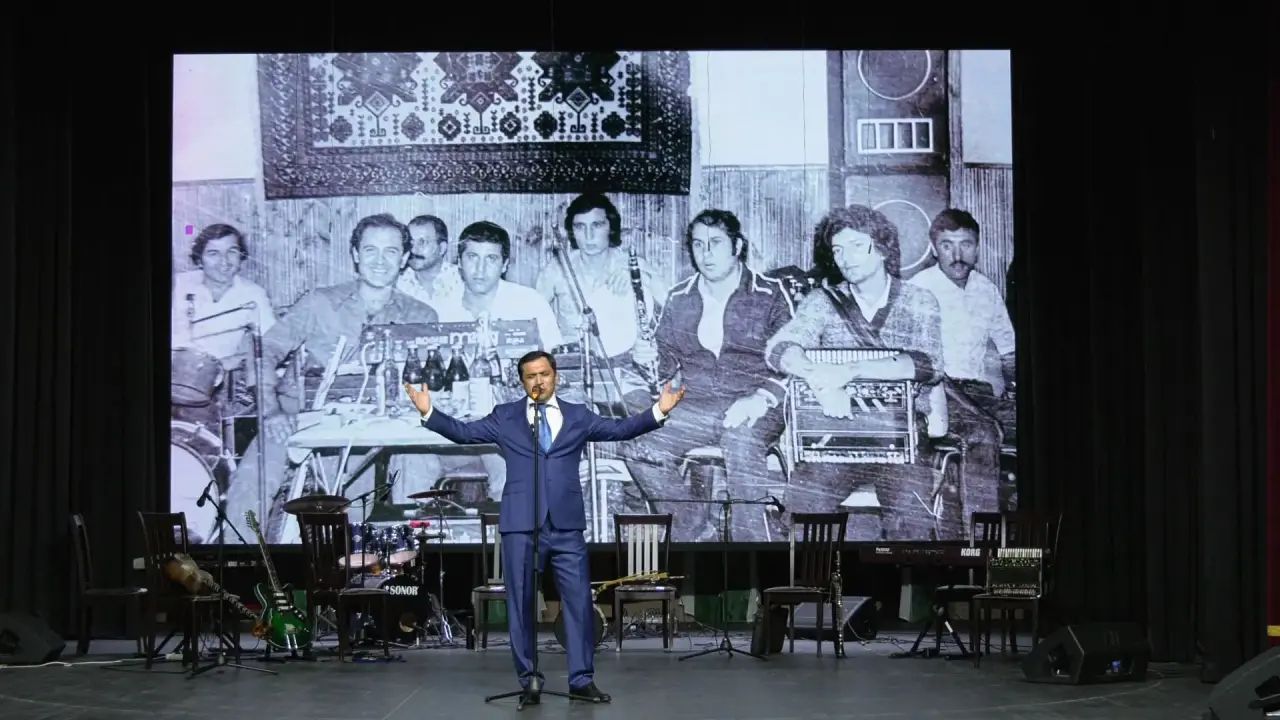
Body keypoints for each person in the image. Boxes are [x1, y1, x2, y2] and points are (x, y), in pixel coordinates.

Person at [404, 350, 685, 706]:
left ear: (555, 376)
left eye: (544, 374)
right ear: (522, 382)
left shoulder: (578, 415)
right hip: (521, 524)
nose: (538, 381)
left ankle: (581, 680)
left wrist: (659, 410)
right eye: (530, 376)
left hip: (566, 525)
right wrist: (428, 411)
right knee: (521, 604)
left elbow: (619, 430)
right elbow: (463, 433)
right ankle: (529, 681)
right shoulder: (505, 416)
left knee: (578, 603)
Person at [221, 213, 438, 541]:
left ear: (405, 258)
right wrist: (272, 410)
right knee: (253, 477)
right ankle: (238, 562)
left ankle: (400, 560)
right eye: (370, 250)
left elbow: (429, 384)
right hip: (300, 415)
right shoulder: (319, 303)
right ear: (355, 254)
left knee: (395, 484)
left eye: (391, 251)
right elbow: (262, 352)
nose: (380, 261)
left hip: (377, 426)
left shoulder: (421, 315)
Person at [764, 205, 944, 540]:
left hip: (902, 443)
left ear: (883, 249)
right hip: (834, 438)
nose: (845, 258)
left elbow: (929, 364)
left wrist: (851, 371)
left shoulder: (919, 299)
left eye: (857, 246)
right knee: (804, 510)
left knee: (911, 520)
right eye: (838, 250)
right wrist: (818, 378)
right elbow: (779, 348)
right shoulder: (822, 301)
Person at [624, 209, 794, 541]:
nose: (706, 253)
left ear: (737, 246)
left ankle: (752, 552)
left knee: (740, 439)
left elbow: (792, 357)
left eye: (716, 243)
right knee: (638, 445)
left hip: (756, 404)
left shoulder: (771, 293)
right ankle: (693, 527)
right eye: (698, 244)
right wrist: (647, 358)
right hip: (698, 406)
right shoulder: (679, 297)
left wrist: (761, 397)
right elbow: (665, 362)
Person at [393, 220, 562, 506]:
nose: (480, 269)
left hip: (507, 432)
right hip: (451, 433)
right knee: (407, 459)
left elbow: (553, 369)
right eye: (472, 257)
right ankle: (411, 533)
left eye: (491, 259)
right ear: (459, 262)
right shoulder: (438, 309)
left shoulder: (530, 303)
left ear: (505, 264)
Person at [907, 209, 1016, 514]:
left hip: (980, 393)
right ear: (934, 249)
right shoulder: (918, 289)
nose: (957, 256)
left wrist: (1013, 388)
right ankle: (981, 535)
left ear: (977, 248)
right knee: (983, 434)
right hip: (938, 394)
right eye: (947, 246)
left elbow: (1009, 350)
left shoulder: (986, 289)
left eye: (966, 245)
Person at [535, 192, 667, 412]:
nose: (589, 236)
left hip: (627, 369)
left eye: (596, 225)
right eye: (580, 227)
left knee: (642, 414)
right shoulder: (557, 268)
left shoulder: (630, 263)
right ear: (572, 231)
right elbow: (534, 316)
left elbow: (670, 304)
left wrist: (639, 276)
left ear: (610, 227)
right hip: (574, 370)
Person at [396, 214, 465, 313]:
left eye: (422, 242)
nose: (413, 250)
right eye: (411, 243)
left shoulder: (462, 281)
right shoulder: (398, 283)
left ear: (442, 248)